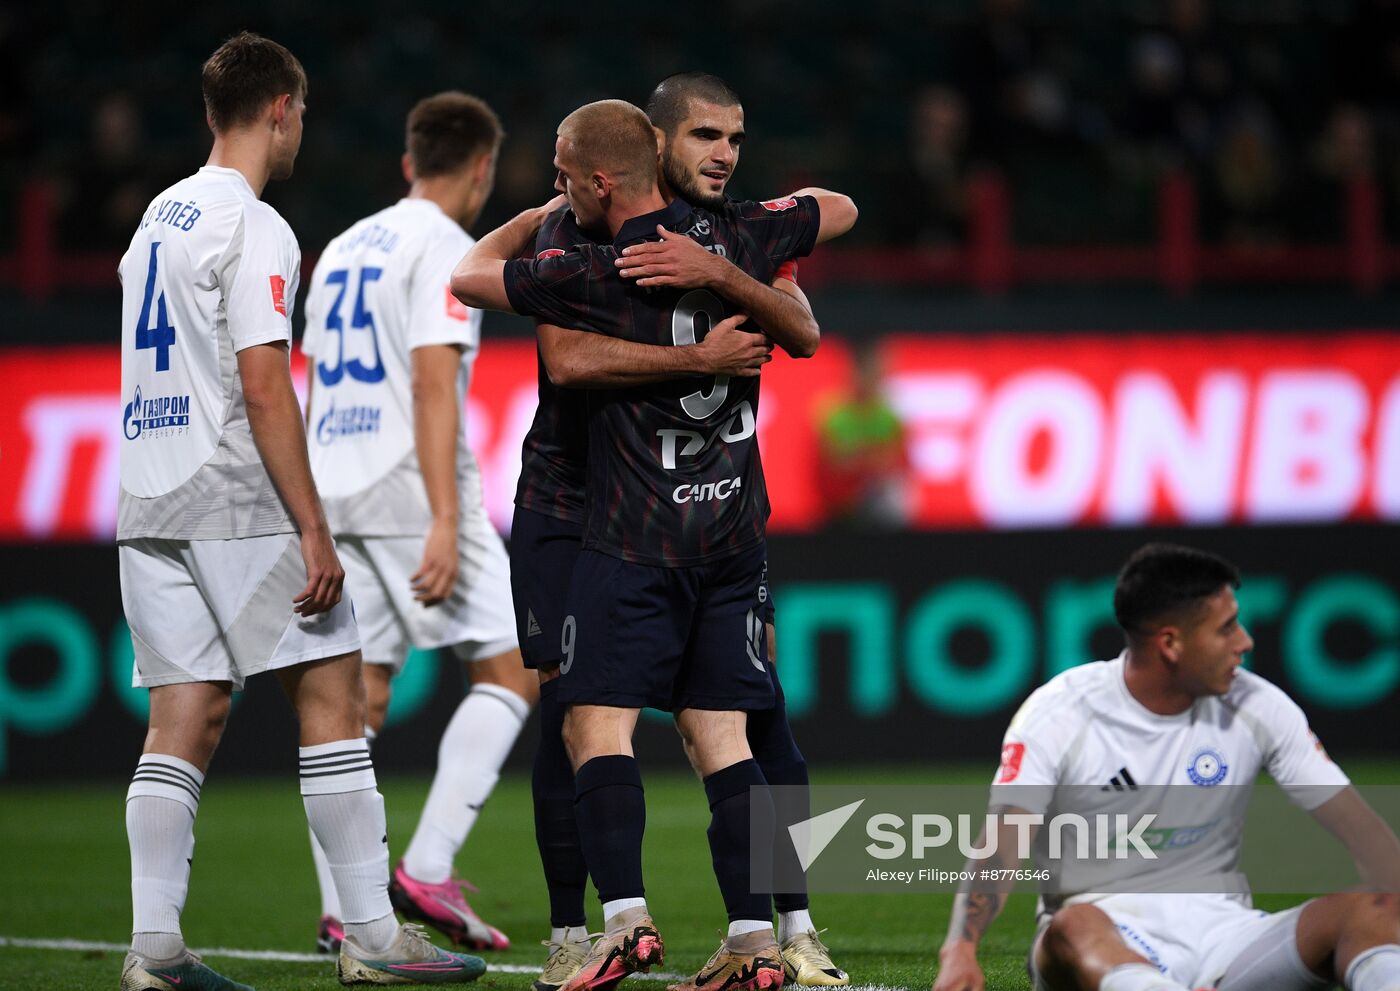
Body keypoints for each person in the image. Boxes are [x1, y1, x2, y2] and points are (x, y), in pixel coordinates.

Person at [452, 98, 857, 991]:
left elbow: (474, 279)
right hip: (714, 520)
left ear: (600, 175)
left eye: (736, 138)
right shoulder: (746, 233)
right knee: (723, 726)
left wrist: (525, 225)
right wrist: (718, 317)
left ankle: (634, 921)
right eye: (708, 136)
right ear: (660, 147)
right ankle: (752, 936)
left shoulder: (588, 261)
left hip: (630, 530)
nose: (724, 154)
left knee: (596, 719)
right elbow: (835, 218)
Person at [116, 33, 484, 990]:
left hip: (146, 495)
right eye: (304, 115)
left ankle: (154, 950)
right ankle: (370, 933)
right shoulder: (256, 224)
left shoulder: (157, 215)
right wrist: (314, 526)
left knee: (183, 719)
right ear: (282, 109)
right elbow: (267, 386)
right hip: (236, 494)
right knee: (332, 696)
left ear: (212, 112)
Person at [931, 542, 1400, 991]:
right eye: (1226, 628)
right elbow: (1004, 842)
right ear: (1170, 643)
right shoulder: (1060, 713)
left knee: (1373, 908)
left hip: (1228, 939)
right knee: (1070, 926)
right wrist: (960, 948)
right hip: (1103, 934)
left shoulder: (1258, 705)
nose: (1245, 641)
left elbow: (1362, 832)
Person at [301, 90, 532, 956]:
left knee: (352, 696)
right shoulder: (449, 246)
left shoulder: (344, 248)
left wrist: (314, 511)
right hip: (410, 486)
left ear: (408, 162)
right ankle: (426, 866)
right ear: (482, 169)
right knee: (515, 668)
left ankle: (343, 908)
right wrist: (442, 517)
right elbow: (435, 381)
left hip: (337, 484)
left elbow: (318, 382)